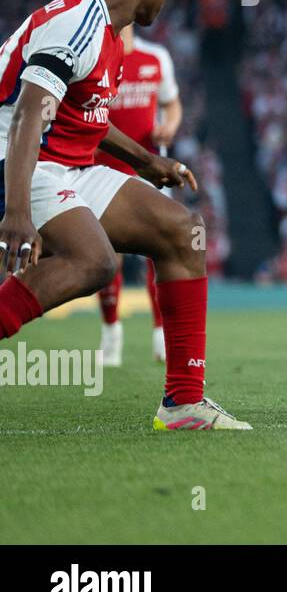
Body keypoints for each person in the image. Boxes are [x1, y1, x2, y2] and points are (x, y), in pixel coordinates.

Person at [0, 0, 249, 430]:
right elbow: (29, 112)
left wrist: (144, 160)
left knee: (182, 232)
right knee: (94, 261)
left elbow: (85, 113)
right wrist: (18, 210)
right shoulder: (79, 24)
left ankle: (183, 404)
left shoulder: (106, 29)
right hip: (17, 157)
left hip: (64, 161)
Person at [95, 24, 182, 365]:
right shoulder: (97, 59)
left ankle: (161, 334)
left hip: (148, 170)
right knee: (106, 257)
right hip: (101, 170)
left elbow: (172, 104)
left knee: (158, 252)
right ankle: (111, 332)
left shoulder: (156, 57)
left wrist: (170, 126)